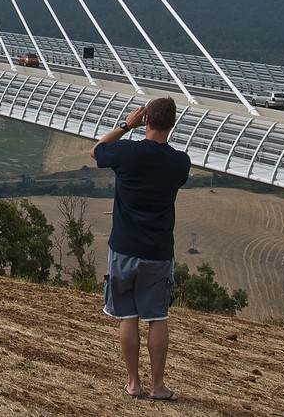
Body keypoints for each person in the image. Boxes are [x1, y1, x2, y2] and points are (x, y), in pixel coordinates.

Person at [91, 96, 190, 402]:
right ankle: (158, 386)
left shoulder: (126, 153)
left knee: (128, 315)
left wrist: (125, 126)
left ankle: (133, 383)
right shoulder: (179, 162)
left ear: (145, 121)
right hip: (158, 250)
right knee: (157, 316)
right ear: (171, 125)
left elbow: (96, 150)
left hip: (123, 247)